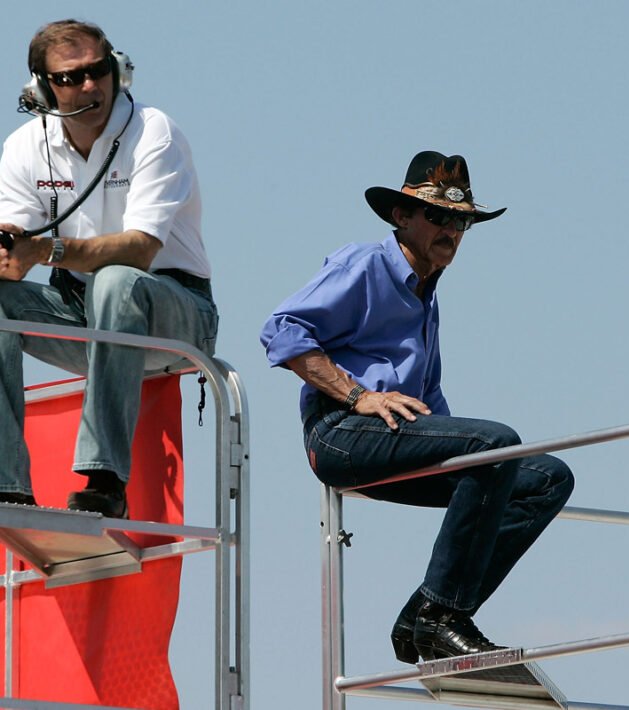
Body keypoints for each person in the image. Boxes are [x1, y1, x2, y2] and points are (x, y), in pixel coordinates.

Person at [261, 151, 575, 662]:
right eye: (438, 216)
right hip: (339, 433)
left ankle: (427, 617)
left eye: (461, 221)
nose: (451, 230)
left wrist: (474, 457)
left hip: (392, 435)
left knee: (547, 478)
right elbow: (281, 330)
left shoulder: (426, 297)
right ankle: (440, 617)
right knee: (494, 444)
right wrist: (359, 395)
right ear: (401, 216)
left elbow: (431, 404)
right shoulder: (365, 265)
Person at [0, 20, 218, 518]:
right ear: (42, 90)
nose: (89, 86)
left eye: (98, 71)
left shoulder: (154, 131)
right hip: (82, 315)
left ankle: (105, 482)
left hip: (175, 314)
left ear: (119, 71)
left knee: (116, 281)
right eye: (70, 78)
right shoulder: (24, 146)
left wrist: (46, 251)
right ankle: (8, 488)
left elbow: (139, 250)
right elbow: (15, 251)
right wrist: (9, 251)